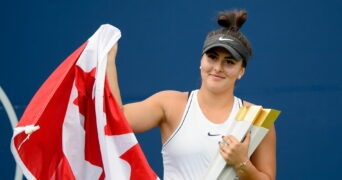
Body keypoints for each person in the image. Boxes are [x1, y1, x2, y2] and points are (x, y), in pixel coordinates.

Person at [106, 9, 276, 180]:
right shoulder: (170, 104)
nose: (217, 67)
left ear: (241, 71)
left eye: (229, 62)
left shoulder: (257, 117)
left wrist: (242, 163)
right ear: (201, 61)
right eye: (212, 57)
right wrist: (107, 58)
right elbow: (116, 118)